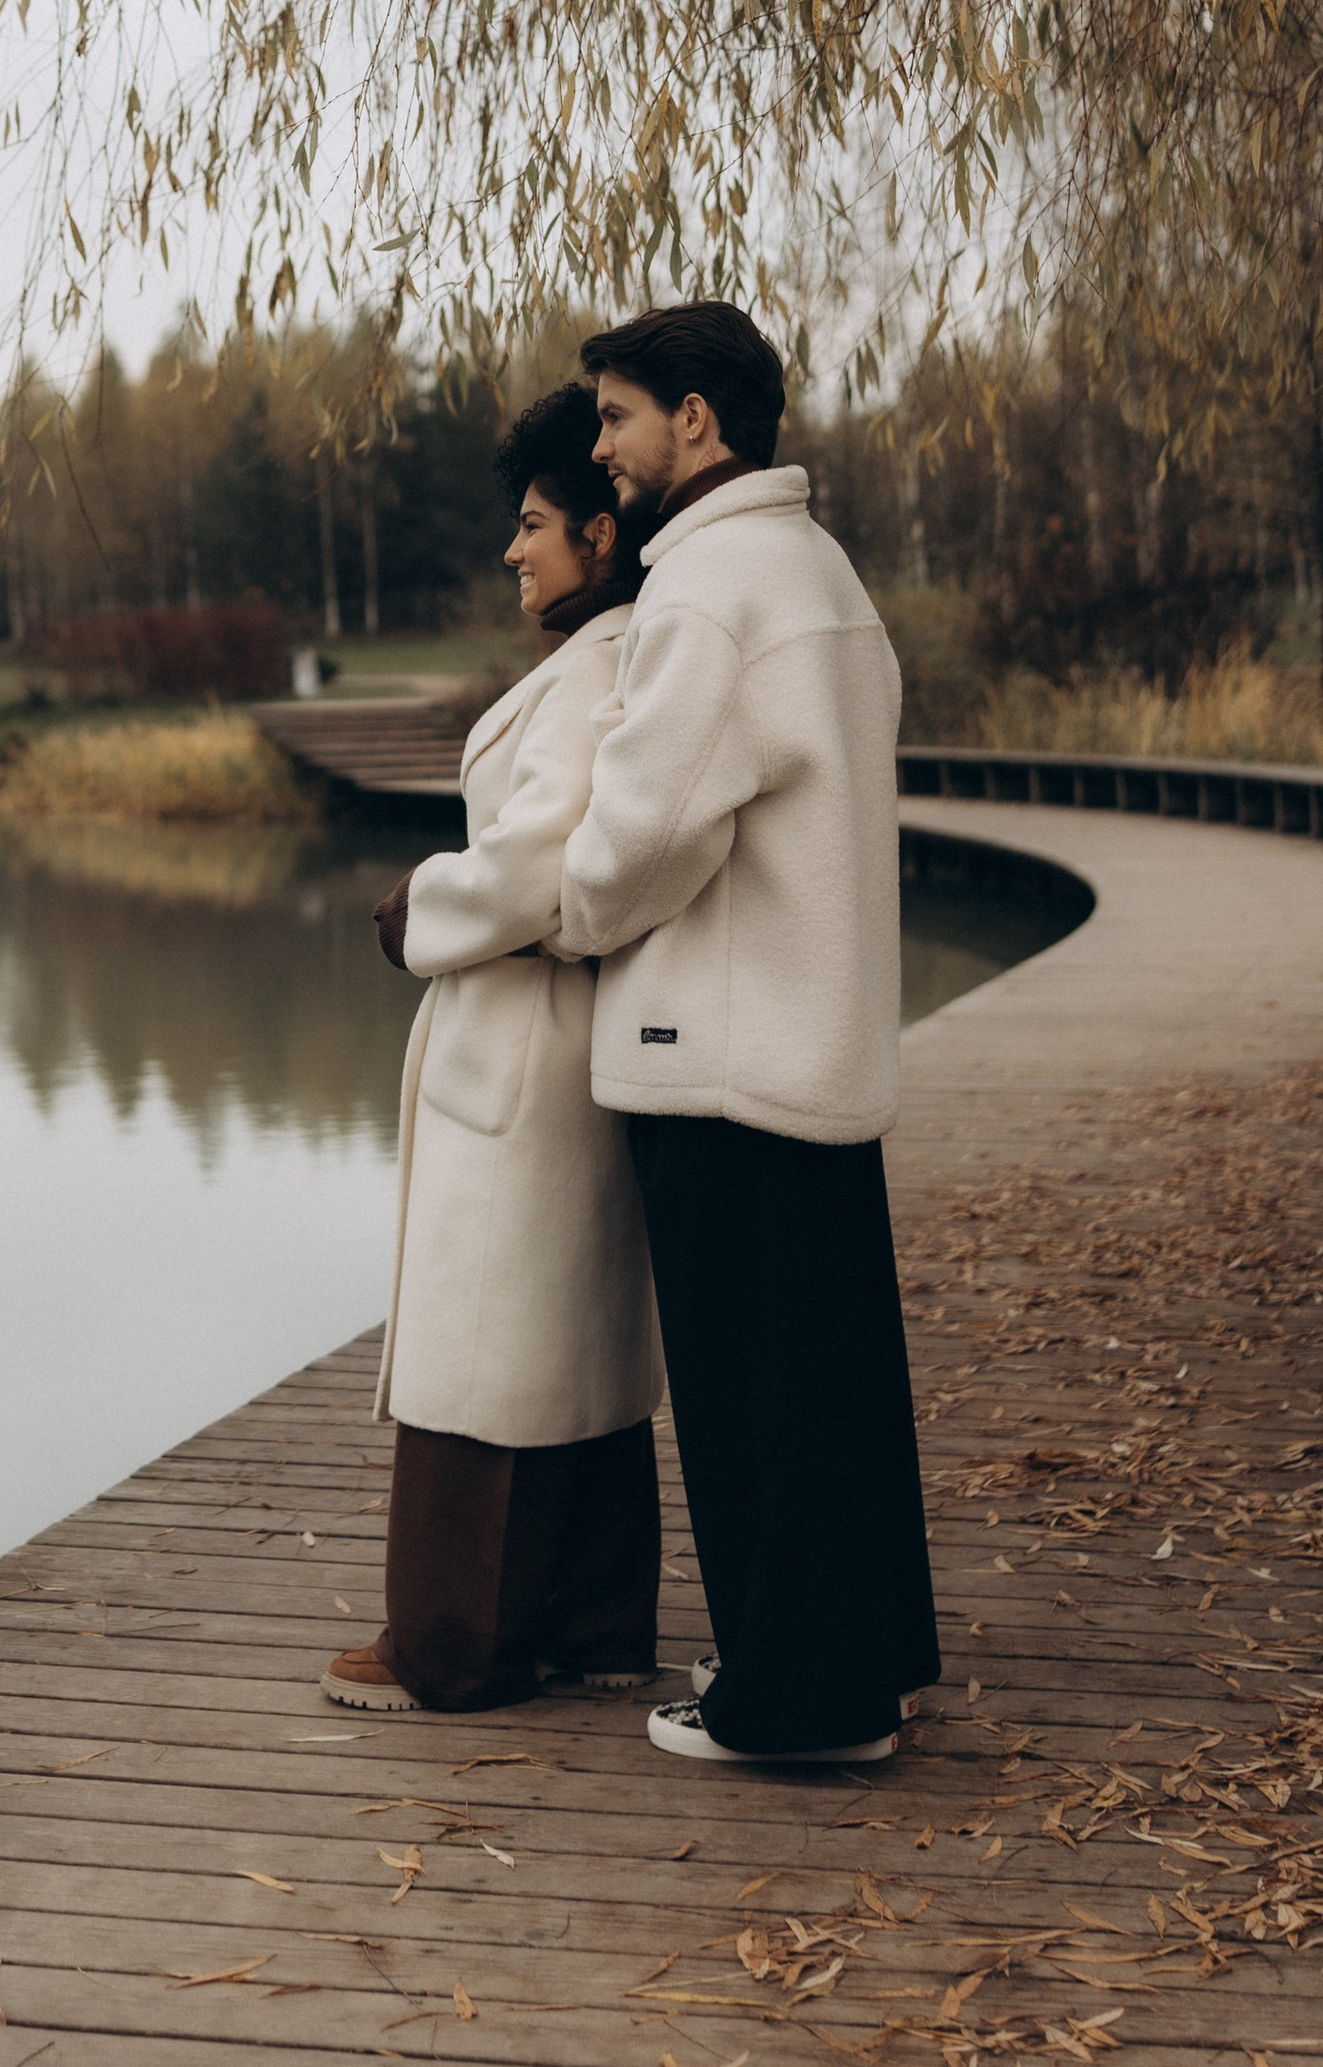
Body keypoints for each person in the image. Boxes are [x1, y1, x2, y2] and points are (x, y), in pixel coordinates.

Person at [559, 299, 939, 1766]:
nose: (603, 449)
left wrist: (575, 914)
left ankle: (791, 1707)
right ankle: (860, 1666)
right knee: (832, 1387)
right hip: (815, 1039)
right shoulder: (821, 573)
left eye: (617, 417)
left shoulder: (710, 589)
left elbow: (645, 829)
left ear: (697, 421)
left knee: (748, 1402)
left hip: (717, 1054)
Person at [324, 385, 665, 1716]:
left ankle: (450, 1645)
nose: (512, 552)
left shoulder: (592, 680)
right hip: (556, 1039)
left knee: (482, 1340)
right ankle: (590, 1622)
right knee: (567, 1331)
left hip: (522, 1039)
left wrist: (421, 912)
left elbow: (538, 864)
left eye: (531, 526)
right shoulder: (618, 661)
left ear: (597, 527)